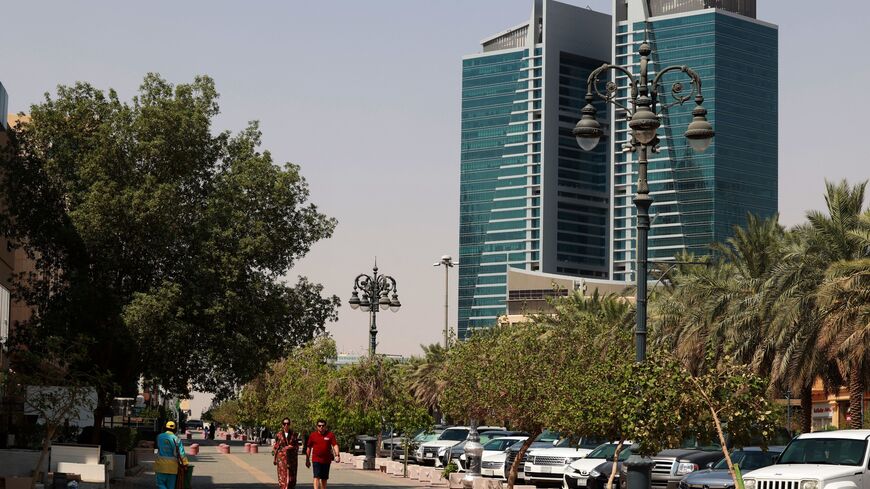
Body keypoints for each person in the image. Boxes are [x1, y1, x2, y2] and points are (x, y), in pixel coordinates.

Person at [306, 419, 340, 489]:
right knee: (316, 476)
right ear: (317, 426)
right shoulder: (313, 435)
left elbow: (335, 445)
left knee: (324, 478)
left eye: (323, 426)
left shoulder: (330, 435)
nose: (321, 427)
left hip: (326, 460)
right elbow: (309, 447)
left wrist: (337, 455)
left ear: (325, 426)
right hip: (316, 459)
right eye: (319, 426)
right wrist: (307, 459)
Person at [155, 421, 189, 489]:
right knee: (171, 487)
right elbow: (182, 454)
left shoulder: (159, 437)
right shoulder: (177, 439)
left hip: (160, 466)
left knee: (160, 484)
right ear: (175, 429)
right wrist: (185, 464)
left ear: (165, 428)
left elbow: (157, 447)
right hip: (173, 468)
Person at [273, 418, 300, 489]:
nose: (286, 425)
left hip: (292, 458)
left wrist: (292, 447)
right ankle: (283, 487)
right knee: (282, 475)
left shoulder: (294, 434)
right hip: (282, 458)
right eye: (285, 424)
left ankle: (291, 486)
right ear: (282, 425)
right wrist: (275, 459)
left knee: (292, 476)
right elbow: (276, 447)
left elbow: (297, 446)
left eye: (288, 424)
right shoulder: (279, 435)